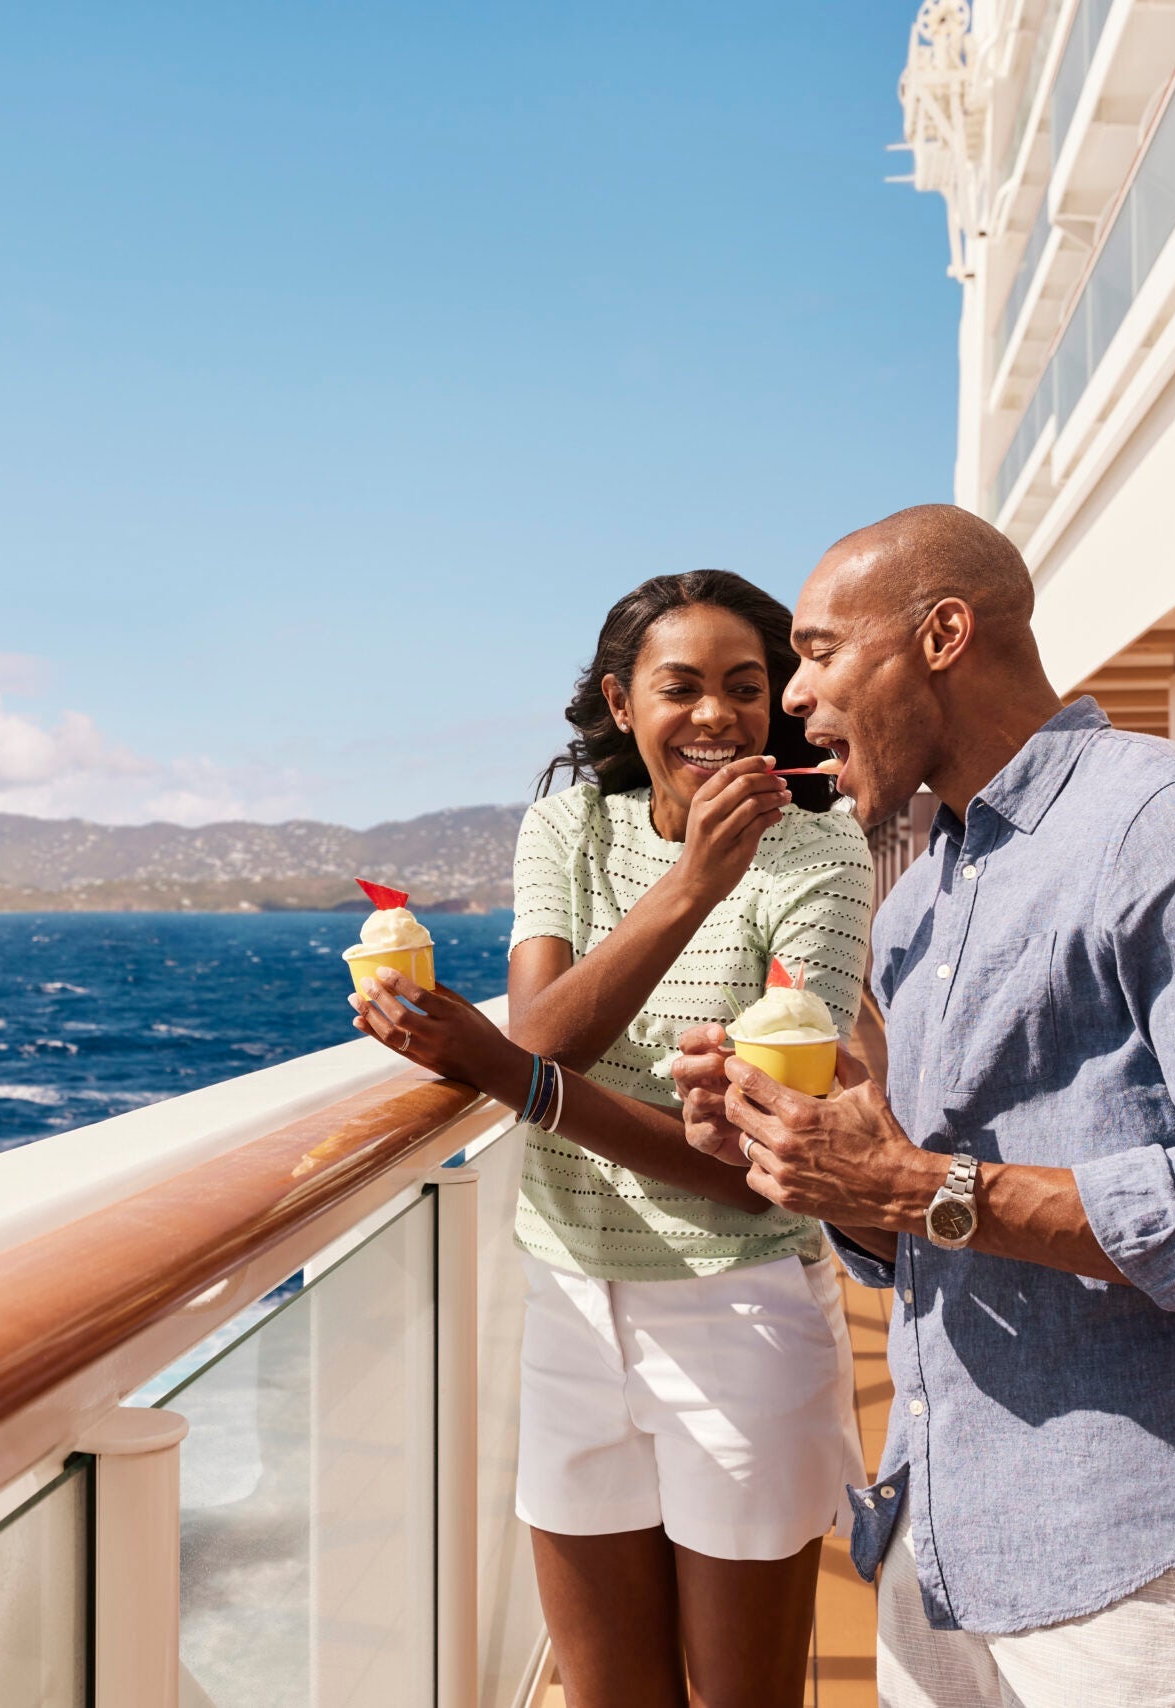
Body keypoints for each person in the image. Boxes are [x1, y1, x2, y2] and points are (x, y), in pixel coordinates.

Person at [674, 505, 1175, 1707]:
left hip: (1134, 1555)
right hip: (937, 1542)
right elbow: (924, 1233)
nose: (791, 697)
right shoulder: (916, 907)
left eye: (822, 651)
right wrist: (806, 1158)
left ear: (943, 633)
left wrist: (914, 1185)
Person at [348, 570, 871, 1708]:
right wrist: (683, 888)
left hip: (742, 1313)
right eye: (679, 686)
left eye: (748, 684)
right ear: (620, 701)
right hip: (567, 1307)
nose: (718, 714)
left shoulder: (824, 862)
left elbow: (754, 1180)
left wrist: (512, 1074)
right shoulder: (569, 825)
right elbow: (546, 1034)